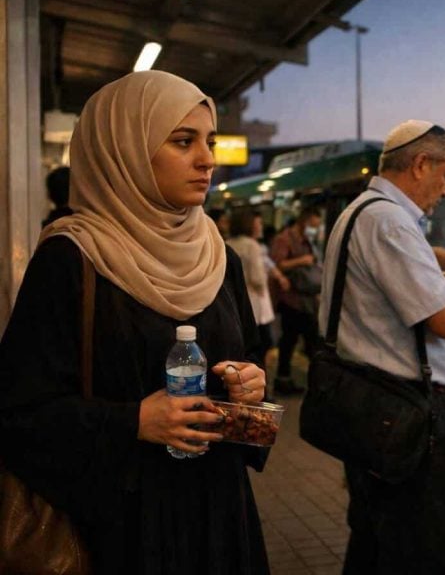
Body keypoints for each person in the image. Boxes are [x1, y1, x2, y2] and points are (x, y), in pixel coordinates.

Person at [0, 70, 270, 574]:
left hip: (221, 514)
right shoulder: (72, 258)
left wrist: (249, 384)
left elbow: (247, 354)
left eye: (208, 142)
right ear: (121, 151)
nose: (207, 159)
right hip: (123, 527)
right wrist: (132, 423)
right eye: (182, 141)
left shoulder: (219, 256)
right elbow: (19, 411)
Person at [319, 120, 445, 573]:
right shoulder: (388, 222)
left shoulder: (366, 212)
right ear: (420, 164)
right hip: (408, 415)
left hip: (374, 405)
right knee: (421, 550)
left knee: (375, 542)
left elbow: (422, 251)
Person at [270, 205, 323, 394]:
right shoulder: (284, 239)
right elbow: (277, 264)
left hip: (307, 300)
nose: (315, 229)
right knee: (296, 340)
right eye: (313, 225)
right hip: (290, 300)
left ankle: (293, 378)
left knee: (300, 341)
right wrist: (301, 261)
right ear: (304, 221)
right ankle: (287, 379)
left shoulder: (308, 241)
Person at [227, 211, 278, 355]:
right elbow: (257, 278)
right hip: (255, 302)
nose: (261, 226)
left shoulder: (227, 243)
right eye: (258, 223)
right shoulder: (252, 245)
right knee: (261, 345)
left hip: (234, 302)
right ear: (249, 224)